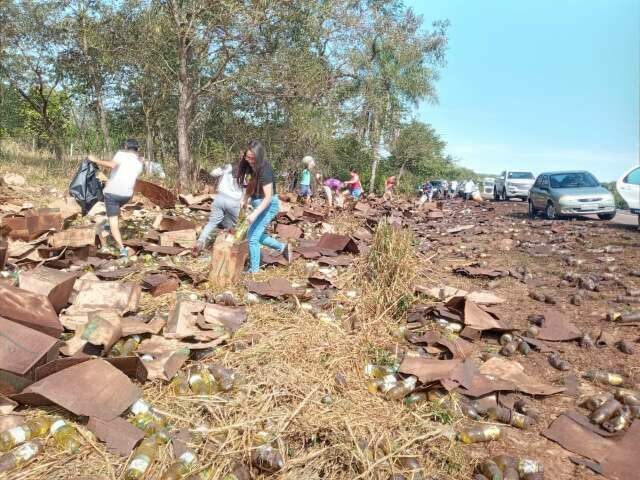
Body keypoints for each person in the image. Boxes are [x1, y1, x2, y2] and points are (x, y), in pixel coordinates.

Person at [237, 140, 292, 273]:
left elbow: (267, 198)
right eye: (247, 157)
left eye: (252, 158)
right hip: (257, 203)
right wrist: (244, 199)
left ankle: (254, 271)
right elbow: (251, 185)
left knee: (253, 238)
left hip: (268, 205)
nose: (249, 160)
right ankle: (282, 247)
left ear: (259, 156)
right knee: (255, 235)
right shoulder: (251, 166)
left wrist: (254, 213)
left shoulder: (265, 169)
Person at [88, 139, 143, 257]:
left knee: (114, 225)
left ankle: (122, 250)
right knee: (113, 214)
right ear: (137, 149)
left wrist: (95, 160)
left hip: (112, 194)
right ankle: (109, 223)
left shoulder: (121, 154)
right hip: (127, 195)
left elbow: (112, 165)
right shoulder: (139, 163)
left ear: (125, 146)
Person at [192, 163, 243, 256]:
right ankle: (227, 250)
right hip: (234, 202)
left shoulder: (229, 167)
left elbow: (213, 173)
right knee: (235, 227)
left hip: (220, 198)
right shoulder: (247, 172)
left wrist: (222, 168)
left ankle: (200, 242)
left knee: (211, 223)